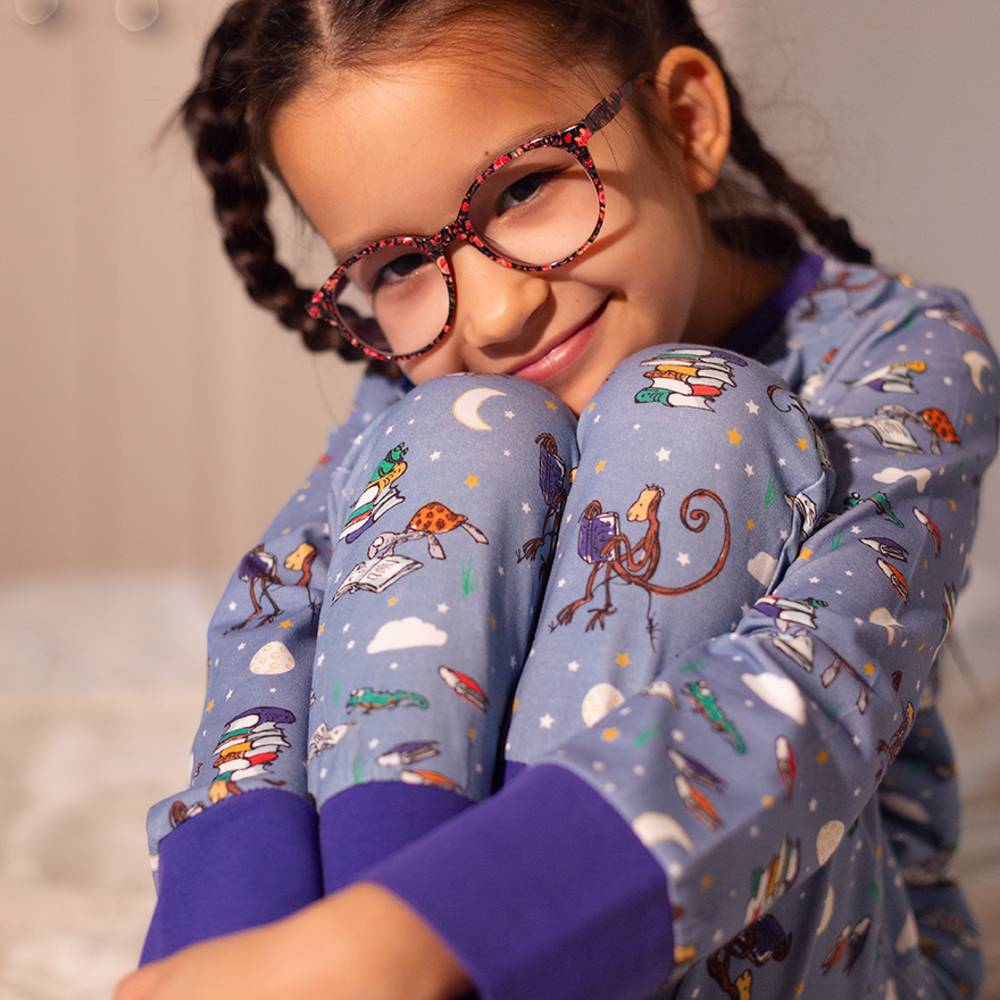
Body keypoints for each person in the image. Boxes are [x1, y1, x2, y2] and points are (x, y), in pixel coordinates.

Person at [118, 2, 999, 998]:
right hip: (423, 959)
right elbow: (277, 630)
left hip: (784, 947)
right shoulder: (429, 394)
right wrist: (218, 947)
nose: (495, 312)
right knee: (452, 430)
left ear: (685, 120)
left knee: (693, 411)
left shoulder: (900, 351)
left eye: (526, 186)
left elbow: (812, 693)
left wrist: (394, 945)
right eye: (401, 264)